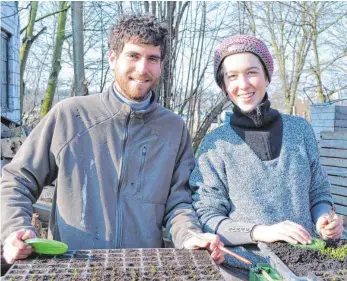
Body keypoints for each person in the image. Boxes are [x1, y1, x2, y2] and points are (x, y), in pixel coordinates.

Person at [1, 15, 224, 265]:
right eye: (133, 56)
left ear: (161, 65)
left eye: (153, 58)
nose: (142, 68)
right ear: (113, 58)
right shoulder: (70, 116)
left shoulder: (174, 128)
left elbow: (178, 202)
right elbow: (17, 179)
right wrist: (15, 229)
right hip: (72, 267)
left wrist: (190, 236)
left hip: (144, 267)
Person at [189, 34, 344, 280]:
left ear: (266, 76)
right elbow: (207, 217)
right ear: (224, 86)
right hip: (245, 269)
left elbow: (318, 193)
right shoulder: (215, 145)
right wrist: (262, 231)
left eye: (252, 72)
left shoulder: (300, 130)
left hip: (307, 267)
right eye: (232, 76)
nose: (243, 84)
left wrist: (324, 218)